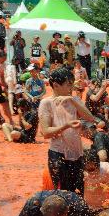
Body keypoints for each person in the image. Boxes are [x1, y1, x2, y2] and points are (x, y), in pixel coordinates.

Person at [39, 67, 96, 195]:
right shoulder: (46, 103)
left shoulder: (74, 100)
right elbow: (46, 132)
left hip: (77, 153)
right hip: (58, 155)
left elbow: (90, 118)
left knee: (82, 193)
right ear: (55, 85)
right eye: (68, 84)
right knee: (63, 195)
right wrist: (66, 125)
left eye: (72, 84)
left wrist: (72, 100)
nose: (71, 88)